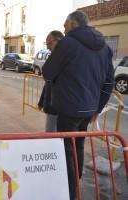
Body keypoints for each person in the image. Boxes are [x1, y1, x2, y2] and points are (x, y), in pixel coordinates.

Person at [42, 11, 114, 200]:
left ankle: (71, 192)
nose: (64, 29)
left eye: (65, 26)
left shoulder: (67, 43)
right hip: (88, 110)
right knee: (78, 147)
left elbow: (48, 72)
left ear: (73, 23)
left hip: (68, 108)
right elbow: (108, 83)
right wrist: (98, 108)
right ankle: (76, 183)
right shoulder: (105, 47)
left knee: (67, 150)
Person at [38, 30, 64, 132]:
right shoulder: (54, 56)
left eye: (49, 43)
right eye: (46, 44)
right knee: (50, 132)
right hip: (52, 106)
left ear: (58, 40)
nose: (48, 47)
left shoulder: (63, 58)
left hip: (58, 107)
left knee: (52, 135)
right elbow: (48, 82)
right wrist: (41, 101)